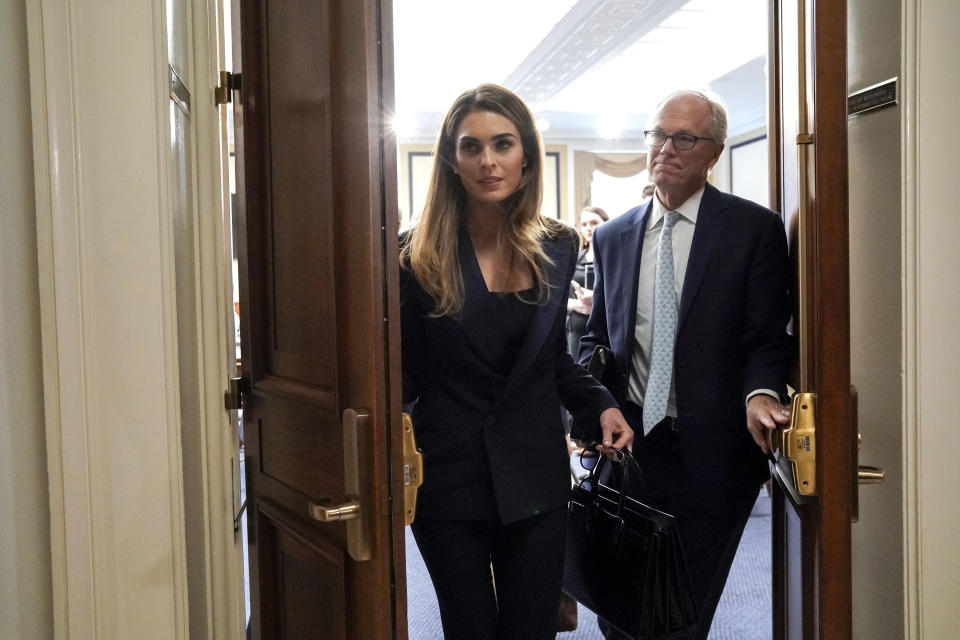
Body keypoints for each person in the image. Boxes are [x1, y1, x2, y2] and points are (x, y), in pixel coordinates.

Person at [399, 83, 633, 640]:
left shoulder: (557, 245)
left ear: (526, 153)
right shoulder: (414, 255)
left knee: (533, 628)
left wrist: (599, 403)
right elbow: (400, 373)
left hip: (534, 470)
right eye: (470, 147)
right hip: (448, 475)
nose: (488, 161)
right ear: (451, 160)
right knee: (470, 627)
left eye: (502, 144)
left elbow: (551, 361)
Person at [580, 90, 794, 640]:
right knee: (619, 603)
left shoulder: (753, 231)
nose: (665, 149)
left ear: (714, 152)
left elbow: (768, 337)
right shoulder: (612, 236)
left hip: (716, 452)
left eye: (684, 139)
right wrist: (592, 410)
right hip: (631, 446)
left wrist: (761, 393)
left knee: (683, 613)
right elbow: (598, 340)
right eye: (657, 135)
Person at [566, 205, 609, 355]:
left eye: (594, 223)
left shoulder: (613, 258)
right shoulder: (574, 257)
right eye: (584, 224)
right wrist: (574, 304)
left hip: (604, 331)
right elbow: (555, 297)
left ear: (606, 223)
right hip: (575, 331)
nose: (588, 228)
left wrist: (596, 297)